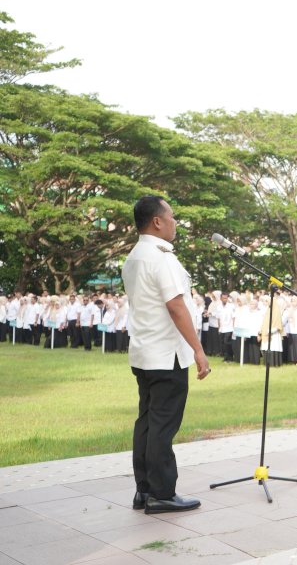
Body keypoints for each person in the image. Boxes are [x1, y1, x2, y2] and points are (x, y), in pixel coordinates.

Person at [121, 195, 210, 514]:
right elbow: (176, 306)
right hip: (166, 354)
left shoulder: (134, 256)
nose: (175, 223)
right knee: (162, 425)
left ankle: (144, 490)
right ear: (157, 221)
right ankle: (162, 492)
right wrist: (198, 349)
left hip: (144, 352)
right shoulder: (161, 258)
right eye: (171, 217)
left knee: (146, 422)